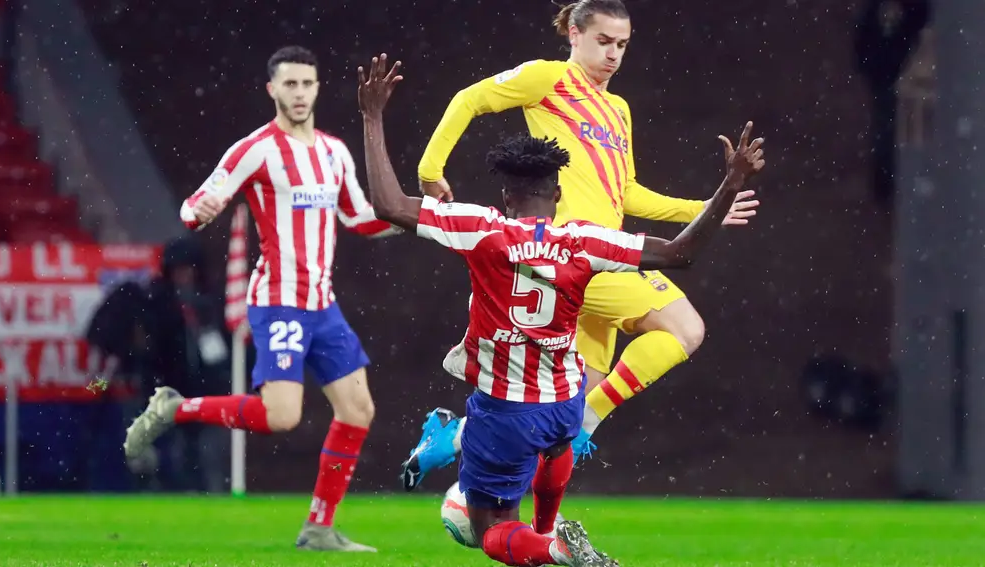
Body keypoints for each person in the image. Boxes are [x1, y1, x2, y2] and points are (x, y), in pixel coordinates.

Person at [357, 53, 763, 567]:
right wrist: (727, 186)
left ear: (506, 195)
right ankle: (550, 527)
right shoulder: (586, 240)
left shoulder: (482, 228)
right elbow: (680, 254)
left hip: (505, 406)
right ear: (559, 193)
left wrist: (372, 118)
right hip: (564, 401)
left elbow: (388, 204)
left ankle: (550, 546)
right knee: (561, 439)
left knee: (489, 529)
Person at [401, 0, 765, 490]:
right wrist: (430, 169)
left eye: (622, 45)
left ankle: (453, 441)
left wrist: (699, 208)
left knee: (561, 414)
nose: (613, 54)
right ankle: (586, 424)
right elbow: (470, 98)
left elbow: (627, 192)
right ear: (574, 34)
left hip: (603, 254)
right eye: (603, 41)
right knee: (684, 329)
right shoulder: (548, 78)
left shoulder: (618, 110)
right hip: (571, 255)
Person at [123, 45, 401, 552]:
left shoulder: (334, 152)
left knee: (357, 409)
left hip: (323, 303)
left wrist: (415, 217)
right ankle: (175, 409)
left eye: (307, 84)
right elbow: (196, 205)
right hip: (278, 299)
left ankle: (319, 528)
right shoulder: (256, 148)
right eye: (289, 84)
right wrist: (198, 209)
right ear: (272, 89)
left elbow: (360, 218)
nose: (298, 93)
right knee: (281, 416)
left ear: (318, 88)